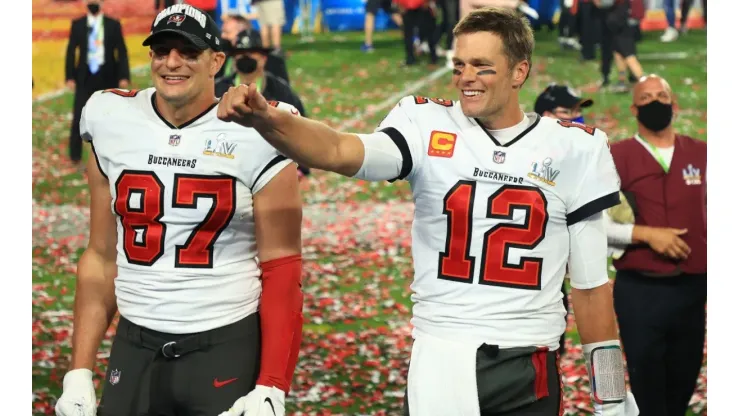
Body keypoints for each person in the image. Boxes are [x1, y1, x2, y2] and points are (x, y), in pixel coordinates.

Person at [218, 7, 637, 415]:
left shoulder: (575, 148)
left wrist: (612, 397)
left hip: (526, 359)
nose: (466, 77)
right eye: (459, 65)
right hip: (442, 352)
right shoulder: (426, 123)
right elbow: (339, 150)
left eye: (482, 66)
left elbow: (590, 289)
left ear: (519, 72)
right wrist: (268, 120)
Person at [54, 5, 303, 416]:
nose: (172, 62)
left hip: (223, 343)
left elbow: (282, 265)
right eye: (161, 50)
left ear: (216, 60)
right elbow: (101, 255)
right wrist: (78, 370)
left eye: (188, 51)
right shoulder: (110, 117)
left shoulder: (259, 129)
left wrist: (272, 384)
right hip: (134, 343)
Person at [607, 74, 707, 416]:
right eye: (646, 98)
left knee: (682, 380)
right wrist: (648, 235)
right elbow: (597, 226)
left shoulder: (703, 154)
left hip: (693, 286)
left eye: (661, 95)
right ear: (634, 109)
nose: (655, 102)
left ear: (674, 105)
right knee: (649, 387)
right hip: (641, 289)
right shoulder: (614, 157)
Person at [533, 83, 594, 357]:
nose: (577, 119)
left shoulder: (575, 156)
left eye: (578, 111)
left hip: (553, 280)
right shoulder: (532, 158)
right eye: (567, 111)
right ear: (546, 116)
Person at [215, 30, 310, 177]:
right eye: (240, 53)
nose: (245, 57)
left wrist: (301, 169)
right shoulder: (217, 90)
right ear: (233, 59)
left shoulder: (281, 91)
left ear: (264, 58)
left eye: (252, 52)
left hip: (270, 168)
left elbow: (301, 128)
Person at [65, 0, 130, 170]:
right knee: (79, 116)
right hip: (84, 78)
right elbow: (72, 51)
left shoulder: (113, 25)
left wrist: (124, 76)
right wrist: (69, 76)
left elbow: (121, 51)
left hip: (107, 76)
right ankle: (75, 157)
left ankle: (112, 155)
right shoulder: (78, 24)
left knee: (110, 117)